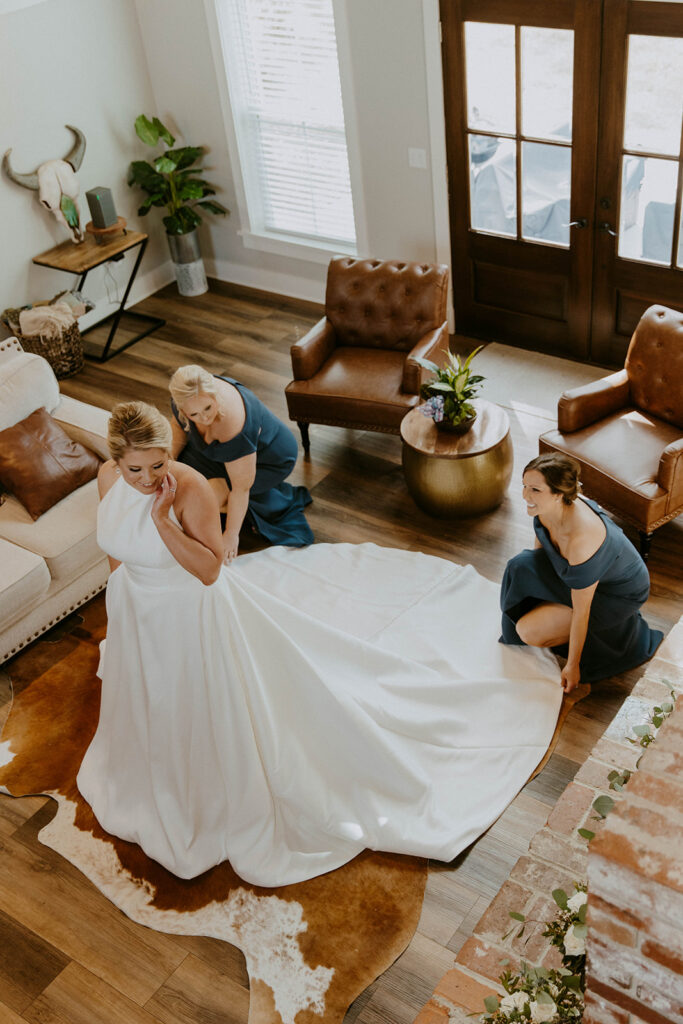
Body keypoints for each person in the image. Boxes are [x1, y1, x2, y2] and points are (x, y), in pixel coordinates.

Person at [77, 401, 565, 888]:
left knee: (211, 709)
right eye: (134, 469)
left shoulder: (188, 489)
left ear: (168, 454)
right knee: (153, 704)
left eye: (157, 464)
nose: (146, 478)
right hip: (139, 612)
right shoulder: (106, 478)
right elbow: (116, 553)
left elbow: (208, 571)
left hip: (190, 613)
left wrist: (163, 520)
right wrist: (118, 614)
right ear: (116, 462)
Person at [500, 453, 662, 692]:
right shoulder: (547, 508)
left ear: (558, 494)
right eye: (524, 485)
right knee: (521, 564)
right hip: (586, 579)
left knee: (528, 631)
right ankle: (553, 613)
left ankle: (598, 632)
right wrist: (537, 583)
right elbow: (542, 548)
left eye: (535, 489)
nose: (525, 495)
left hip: (617, 594)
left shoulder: (581, 541)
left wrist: (573, 665)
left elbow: (582, 611)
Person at [168, 364, 313, 561]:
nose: (203, 418)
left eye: (208, 408)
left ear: (215, 396)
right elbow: (177, 424)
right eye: (194, 415)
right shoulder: (185, 398)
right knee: (184, 481)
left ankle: (238, 509)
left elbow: (241, 489)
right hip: (225, 453)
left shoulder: (231, 423)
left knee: (207, 497)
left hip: (270, 459)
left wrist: (230, 534)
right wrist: (169, 460)